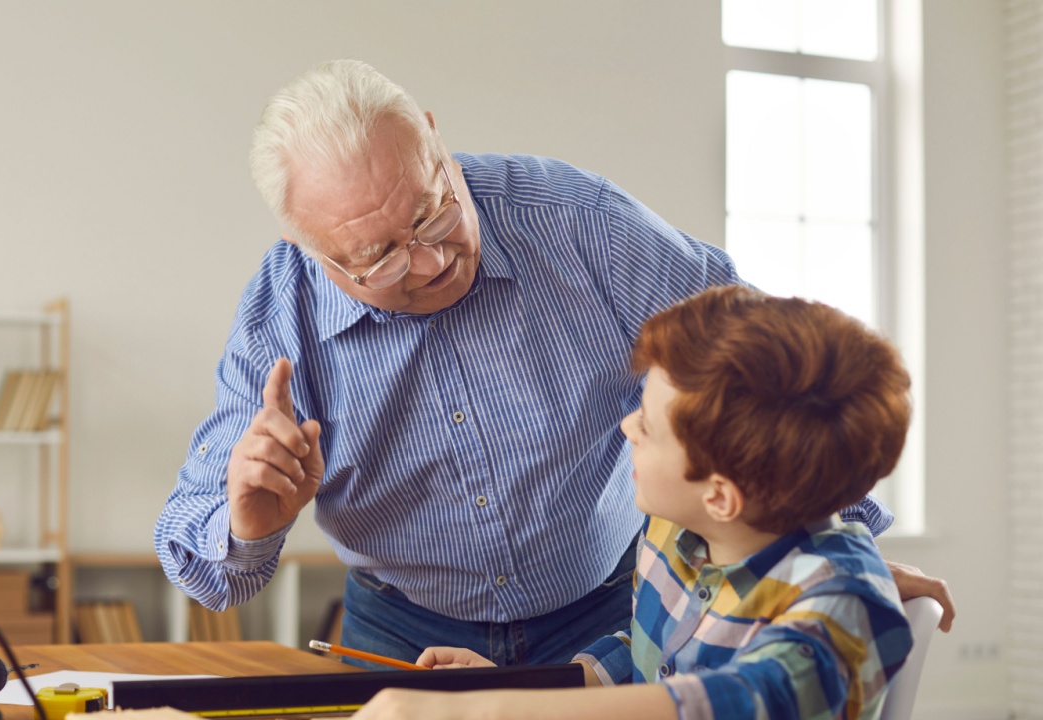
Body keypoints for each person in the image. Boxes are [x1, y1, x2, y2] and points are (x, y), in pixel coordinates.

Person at [153, 59, 952, 667]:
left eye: (433, 212)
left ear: (433, 136)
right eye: (381, 258)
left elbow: (764, 368)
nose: (429, 262)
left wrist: (844, 548)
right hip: (403, 631)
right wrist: (248, 521)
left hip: (615, 612)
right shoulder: (278, 314)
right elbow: (205, 570)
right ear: (311, 249)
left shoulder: (578, 225)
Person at [353, 286, 915, 720]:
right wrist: (516, 686)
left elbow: (739, 700)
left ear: (720, 495)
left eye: (647, 425)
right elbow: (651, 654)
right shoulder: (672, 530)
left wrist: (484, 711)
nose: (626, 427)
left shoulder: (843, 603)